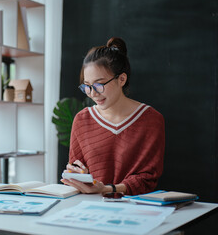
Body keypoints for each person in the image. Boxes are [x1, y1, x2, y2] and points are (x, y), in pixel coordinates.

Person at [60, 37, 165, 195]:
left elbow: (146, 180)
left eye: (99, 85)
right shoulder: (82, 120)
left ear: (121, 79)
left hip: (135, 209)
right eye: (87, 86)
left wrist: (106, 189)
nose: (93, 94)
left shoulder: (151, 120)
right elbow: (77, 172)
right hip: (89, 209)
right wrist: (75, 174)